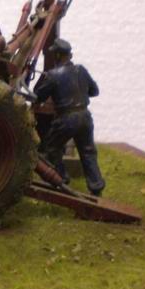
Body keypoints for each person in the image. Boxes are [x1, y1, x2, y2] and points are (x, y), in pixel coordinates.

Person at [34, 38, 106, 196]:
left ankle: (62, 178)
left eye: (54, 54)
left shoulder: (52, 75)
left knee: (51, 147)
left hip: (66, 119)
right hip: (85, 116)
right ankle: (96, 187)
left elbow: (37, 97)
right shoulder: (81, 70)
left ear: (58, 55)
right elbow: (94, 91)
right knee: (88, 151)